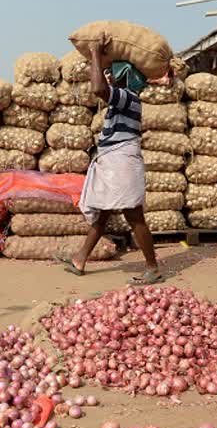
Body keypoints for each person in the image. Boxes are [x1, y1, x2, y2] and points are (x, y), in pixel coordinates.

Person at [57, 41, 162, 285]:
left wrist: (94, 53)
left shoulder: (129, 97)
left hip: (122, 162)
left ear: (125, 78)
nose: (109, 76)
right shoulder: (121, 100)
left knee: (133, 214)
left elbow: (98, 89)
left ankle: (152, 267)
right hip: (112, 161)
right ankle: (79, 259)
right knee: (102, 213)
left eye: (114, 74)